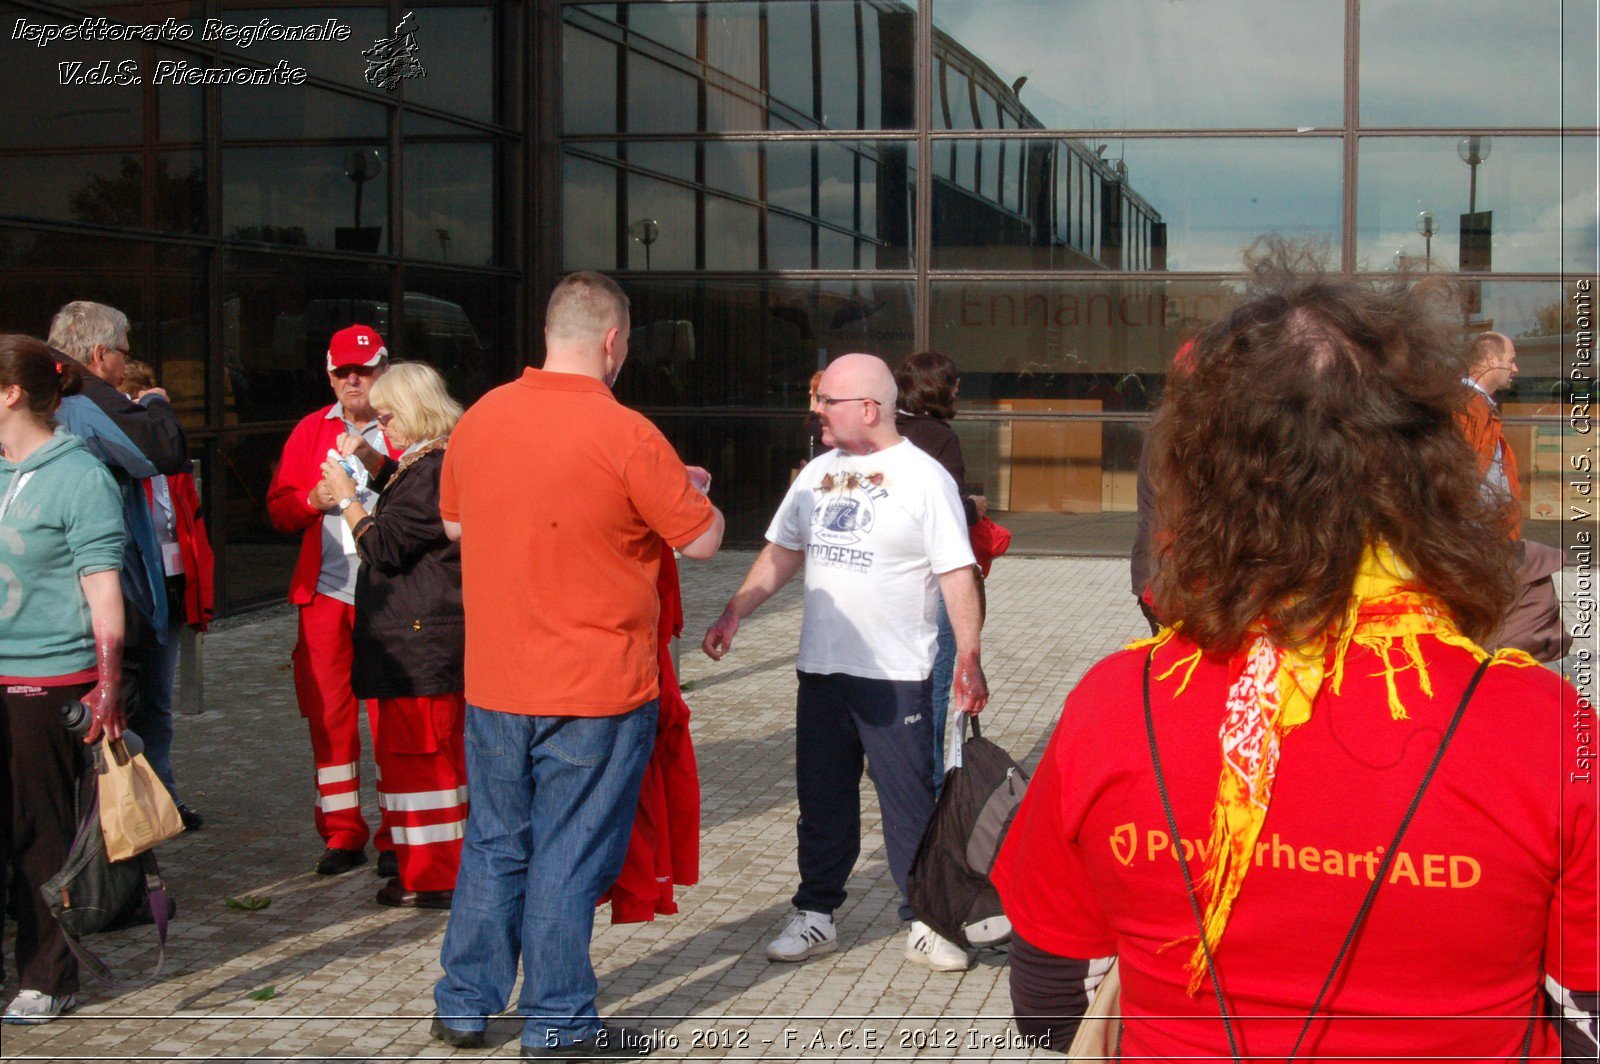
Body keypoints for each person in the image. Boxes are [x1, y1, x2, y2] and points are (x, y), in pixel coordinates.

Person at [992, 256, 1598, 1057]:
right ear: (1430, 471)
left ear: (1205, 477)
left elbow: (1044, 996)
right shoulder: (1557, 730)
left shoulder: (1115, 704)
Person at [430, 271, 724, 1060]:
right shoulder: (627, 432)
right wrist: (698, 491)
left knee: (495, 842)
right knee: (567, 852)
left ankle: (463, 1005)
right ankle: (557, 1021)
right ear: (612, 342)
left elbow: (454, 527)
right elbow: (700, 541)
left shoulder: (482, 417)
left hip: (496, 677)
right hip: (596, 685)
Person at [702, 353, 989, 974]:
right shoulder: (817, 474)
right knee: (822, 801)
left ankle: (928, 918)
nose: (815, 411)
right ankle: (815, 915)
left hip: (895, 676)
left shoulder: (923, 476)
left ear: (868, 408)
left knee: (909, 804)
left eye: (826, 400)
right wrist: (735, 611)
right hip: (822, 671)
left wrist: (968, 655)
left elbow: (957, 573)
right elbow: (783, 551)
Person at [0, 336, 126, 1025]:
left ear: (12, 392)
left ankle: (50, 975)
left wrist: (106, 687)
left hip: (49, 676)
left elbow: (103, 586)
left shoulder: (79, 476)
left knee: (41, 832)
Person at [315, 363, 466, 910]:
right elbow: (405, 490)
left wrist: (346, 497)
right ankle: (422, 867)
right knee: (414, 762)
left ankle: (435, 876)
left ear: (415, 411)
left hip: (420, 644)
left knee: (425, 762)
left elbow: (386, 544)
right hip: (414, 641)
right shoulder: (430, 461)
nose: (384, 427)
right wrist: (370, 463)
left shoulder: (436, 467)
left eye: (388, 417)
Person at [47, 302, 198, 828]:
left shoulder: (43, 401)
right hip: (104, 598)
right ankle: (120, 864)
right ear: (98, 353)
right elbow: (162, 450)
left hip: (46, 609)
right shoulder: (84, 398)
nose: (123, 368)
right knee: (111, 736)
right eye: (123, 355)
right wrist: (156, 405)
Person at [265, 325, 400, 876]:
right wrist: (308, 500)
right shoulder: (308, 430)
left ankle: (399, 833)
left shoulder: (406, 425)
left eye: (363, 370)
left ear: (383, 370)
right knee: (328, 714)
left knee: (392, 716)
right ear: (328, 373)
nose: (352, 379)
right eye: (342, 370)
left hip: (392, 593)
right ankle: (343, 832)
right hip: (325, 593)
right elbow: (277, 509)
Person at [119, 359, 214, 825]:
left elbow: (190, 533)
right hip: (130, 595)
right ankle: (128, 803)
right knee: (126, 704)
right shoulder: (118, 466)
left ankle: (164, 797)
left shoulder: (171, 468)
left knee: (158, 702)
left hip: (169, 592)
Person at [892, 350, 985, 787]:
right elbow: (947, 516)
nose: (958, 388)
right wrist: (975, 508)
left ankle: (892, 759)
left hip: (891, 580)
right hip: (936, 579)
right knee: (934, 675)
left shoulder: (888, 432)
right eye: (953, 380)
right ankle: (925, 780)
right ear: (937, 387)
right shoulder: (940, 439)